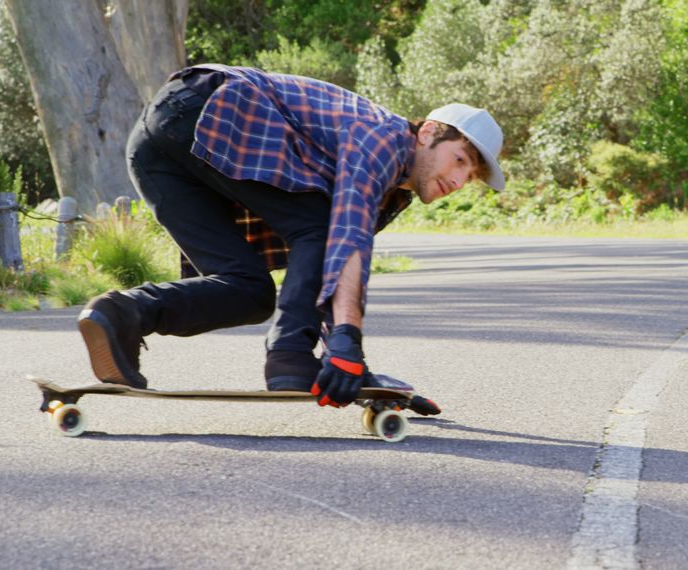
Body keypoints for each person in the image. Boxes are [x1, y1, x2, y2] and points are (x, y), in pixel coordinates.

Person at [76, 64, 505, 407]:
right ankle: (289, 356)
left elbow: (322, 274)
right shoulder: (386, 137)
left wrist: (352, 362)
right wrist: (345, 343)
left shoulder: (394, 190)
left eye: (472, 176)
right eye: (460, 159)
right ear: (428, 132)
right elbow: (346, 236)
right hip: (208, 105)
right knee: (321, 229)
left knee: (247, 290)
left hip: (157, 144)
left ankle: (123, 315)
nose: (460, 179)